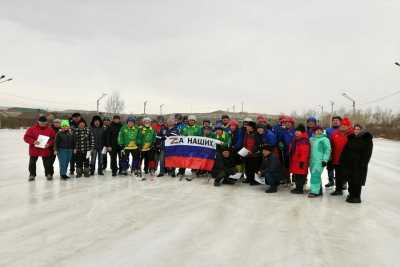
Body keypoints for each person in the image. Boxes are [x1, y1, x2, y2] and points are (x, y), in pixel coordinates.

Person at [340, 124, 373, 203]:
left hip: (359, 164)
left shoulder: (366, 139)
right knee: (350, 180)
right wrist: (343, 159)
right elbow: (345, 150)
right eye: (355, 129)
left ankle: (357, 197)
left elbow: (368, 153)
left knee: (357, 181)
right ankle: (351, 195)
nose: (356, 130)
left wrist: (364, 163)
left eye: (358, 129)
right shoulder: (351, 138)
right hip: (349, 163)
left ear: (362, 130)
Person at [23, 115, 56, 181]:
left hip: (45, 149)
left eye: (44, 123)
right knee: (32, 163)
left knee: (47, 163)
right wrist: (33, 141)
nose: (43, 124)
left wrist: (49, 144)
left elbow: (53, 139)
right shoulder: (32, 129)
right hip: (34, 149)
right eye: (41, 123)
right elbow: (26, 137)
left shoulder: (50, 130)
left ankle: (48, 174)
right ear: (38, 122)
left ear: (46, 122)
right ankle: (32, 175)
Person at [330, 117, 354, 196]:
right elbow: (331, 146)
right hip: (337, 158)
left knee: (348, 175)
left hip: (348, 160)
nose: (343, 126)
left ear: (349, 126)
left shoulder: (352, 135)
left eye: (345, 125)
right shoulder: (335, 134)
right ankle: (338, 190)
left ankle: (351, 192)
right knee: (338, 175)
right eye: (342, 125)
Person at [308, 126, 331, 198]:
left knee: (315, 175)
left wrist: (325, 160)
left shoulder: (324, 139)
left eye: (320, 130)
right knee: (315, 175)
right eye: (316, 130)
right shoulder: (311, 139)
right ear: (314, 131)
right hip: (311, 160)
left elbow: (327, 150)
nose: (318, 131)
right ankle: (319, 189)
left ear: (322, 131)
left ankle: (314, 191)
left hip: (319, 160)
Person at [178, 115, 202, 180]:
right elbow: (181, 136)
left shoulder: (198, 128)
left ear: (195, 121)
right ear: (188, 121)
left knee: (194, 159)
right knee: (184, 159)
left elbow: (200, 137)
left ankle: (194, 171)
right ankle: (181, 172)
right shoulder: (184, 128)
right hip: (186, 147)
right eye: (190, 120)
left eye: (192, 120)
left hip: (194, 147)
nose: (191, 121)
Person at [289, 124, 310, 194]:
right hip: (296, 160)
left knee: (300, 176)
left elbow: (304, 152)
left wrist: (302, 161)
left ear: (302, 132)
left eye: (298, 131)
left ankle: (300, 189)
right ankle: (298, 188)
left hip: (301, 162)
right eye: (296, 131)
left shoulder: (303, 140)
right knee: (297, 175)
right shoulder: (297, 139)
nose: (296, 132)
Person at [242, 121, 262, 185]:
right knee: (248, 167)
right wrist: (244, 151)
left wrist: (252, 151)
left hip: (255, 154)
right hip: (247, 153)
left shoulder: (256, 134)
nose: (247, 127)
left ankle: (255, 180)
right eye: (247, 126)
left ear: (252, 127)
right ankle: (248, 179)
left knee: (254, 168)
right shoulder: (246, 133)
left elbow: (258, 144)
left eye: (248, 126)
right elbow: (245, 143)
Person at [325, 116, 342, 187]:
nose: (335, 121)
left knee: (341, 168)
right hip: (330, 151)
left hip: (340, 152)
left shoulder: (342, 129)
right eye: (334, 120)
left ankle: (342, 183)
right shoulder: (328, 130)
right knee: (330, 167)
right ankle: (331, 181)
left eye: (337, 120)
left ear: (340, 122)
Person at [278, 116, 296, 184]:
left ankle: (294, 179)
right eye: (286, 123)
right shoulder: (283, 131)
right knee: (286, 166)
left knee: (294, 165)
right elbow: (280, 139)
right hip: (285, 151)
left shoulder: (295, 131)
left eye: (289, 123)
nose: (287, 124)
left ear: (292, 124)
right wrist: (280, 143)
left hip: (293, 151)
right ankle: (287, 179)